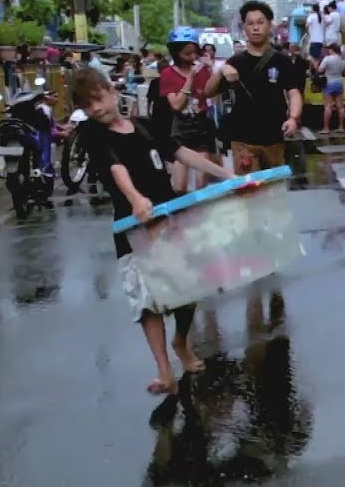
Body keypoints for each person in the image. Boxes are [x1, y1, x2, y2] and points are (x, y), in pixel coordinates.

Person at [69, 67, 233, 394]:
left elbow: (179, 152)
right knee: (147, 302)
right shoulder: (92, 133)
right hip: (133, 227)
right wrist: (134, 198)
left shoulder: (145, 126)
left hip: (169, 219)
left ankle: (181, 342)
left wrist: (223, 175)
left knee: (187, 294)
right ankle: (164, 371)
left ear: (112, 93)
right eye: (89, 105)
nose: (97, 109)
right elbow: (114, 165)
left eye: (99, 99)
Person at [205, 0, 303, 175]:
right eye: (250, 24)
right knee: (250, 194)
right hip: (243, 140)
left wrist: (293, 118)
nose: (255, 28)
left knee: (274, 193)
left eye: (260, 22)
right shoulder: (235, 61)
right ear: (244, 29)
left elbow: (293, 92)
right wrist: (221, 71)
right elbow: (208, 92)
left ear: (270, 25)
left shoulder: (282, 60)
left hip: (275, 137)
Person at [159, 27, 218, 189]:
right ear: (176, 53)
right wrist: (190, 77)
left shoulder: (203, 70)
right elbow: (176, 105)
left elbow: (214, 96)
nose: (192, 57)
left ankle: (201, 213)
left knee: (201, 183)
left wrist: (211, 70)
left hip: (202, 127)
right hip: (181, 129)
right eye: (186, 53)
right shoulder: (168, 74)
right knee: (179, 187)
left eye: (194, 52)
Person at [317, 43, 345, 134]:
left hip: (329, 83)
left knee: (328, 106)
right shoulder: (342, 60)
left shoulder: (327, 59)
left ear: (332, 50)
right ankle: (341, 127)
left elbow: (320, 70)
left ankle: (326, 128)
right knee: (340, 106)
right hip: (339, 83)